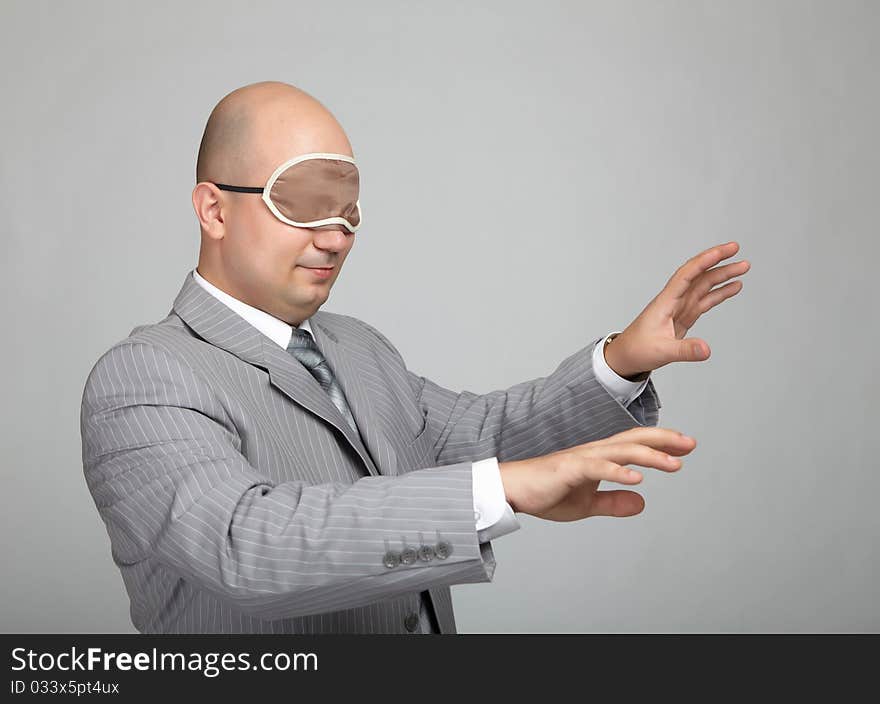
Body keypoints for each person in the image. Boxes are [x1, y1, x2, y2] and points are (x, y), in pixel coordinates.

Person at [79, 81, 749, 634]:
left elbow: (480, 435)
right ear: (213, 210)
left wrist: (620, 361)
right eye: (305, 203)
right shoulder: (145, 378)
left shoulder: (358, 349)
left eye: (347, 211)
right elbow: (246, 545)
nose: (336, 237)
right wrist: (501, 490)